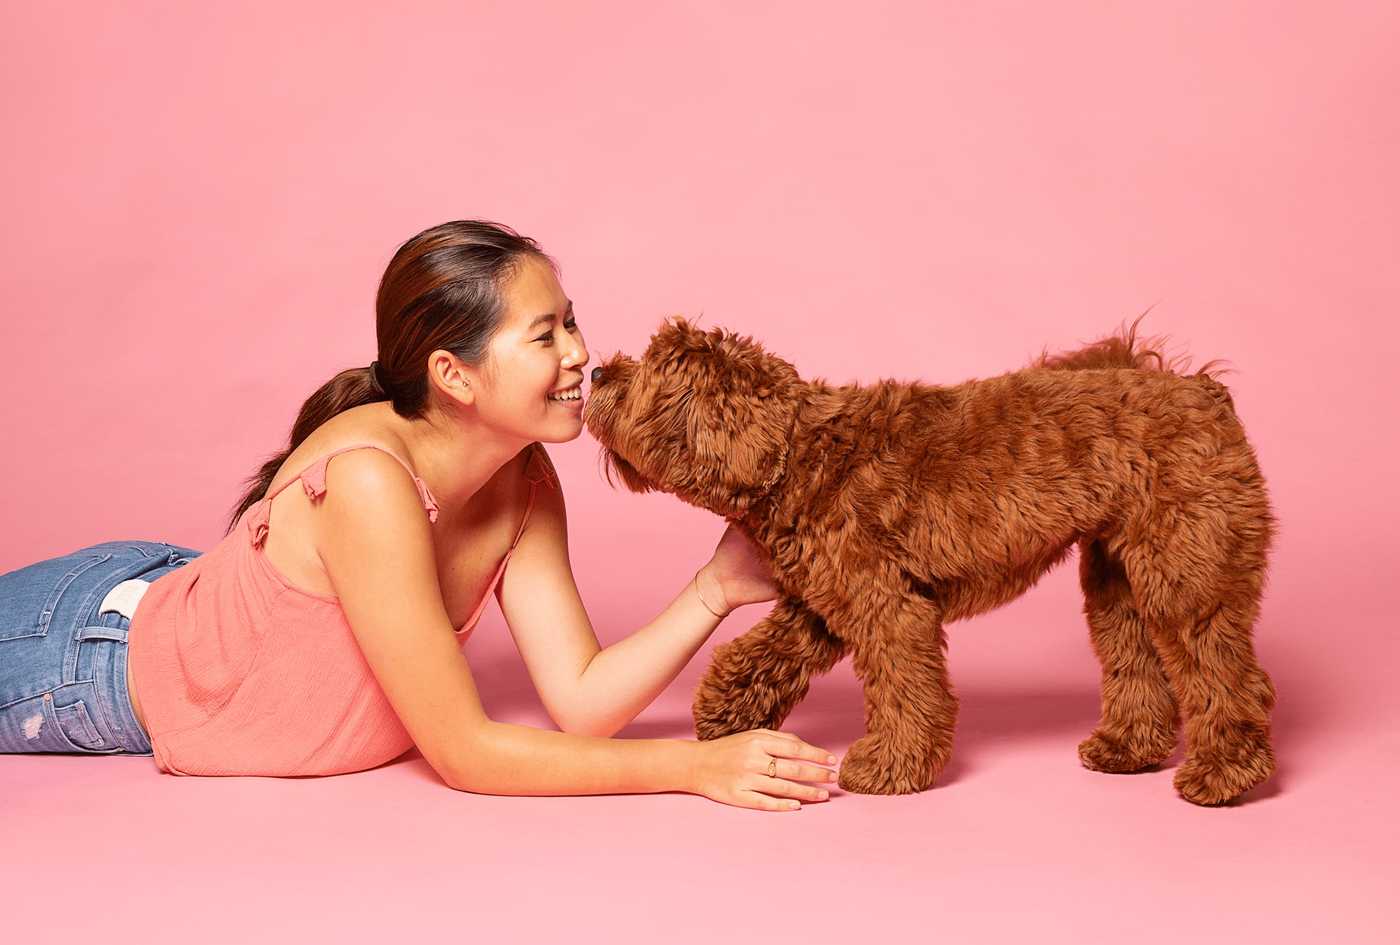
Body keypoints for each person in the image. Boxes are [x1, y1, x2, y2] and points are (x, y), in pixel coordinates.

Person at [0, 220, 837, 811]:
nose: (581, 352)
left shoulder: (524, 476)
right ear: (455, 374)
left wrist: (716, 588)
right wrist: (695, 766)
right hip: (89, 655)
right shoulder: (368, 482)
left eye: (572, 321)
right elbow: (466, 753)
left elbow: (582, 700)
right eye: (544, 335)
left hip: (178, 594)